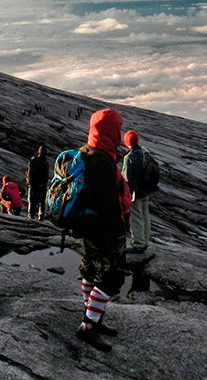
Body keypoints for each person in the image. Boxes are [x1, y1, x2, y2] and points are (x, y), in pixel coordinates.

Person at [73, 108, 130, 352]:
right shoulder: (103, 161)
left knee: (89, 270)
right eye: (116, 128)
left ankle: (94, 316)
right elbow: (108, 204)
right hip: (103, 229)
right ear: (110, 131)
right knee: (110, 277)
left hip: (86, 225)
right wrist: (119, 228)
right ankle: (89, 325)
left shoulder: (87, 152)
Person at [122, 130, 157, 253]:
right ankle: (146, 241)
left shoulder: (129, 157)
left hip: (135, 192)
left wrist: (125, 193)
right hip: (145, 190)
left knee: (136, 217)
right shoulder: (144, 153)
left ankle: (139, 244)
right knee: (145, 215)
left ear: (126, 142)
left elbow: (126, 177)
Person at [25, 144, 49, 220]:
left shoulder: (33, 160)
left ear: (39, 152)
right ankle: (40, 216)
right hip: (42, 185)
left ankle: (30, 215)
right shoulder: (45, 163)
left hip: (32, 184)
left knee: (32, 200)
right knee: (41, 201)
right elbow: (45, 176)